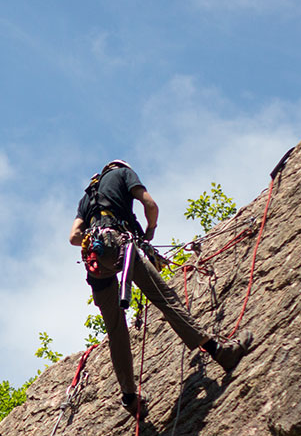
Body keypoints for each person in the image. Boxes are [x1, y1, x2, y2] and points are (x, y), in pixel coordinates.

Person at [69, 161, 252, 414]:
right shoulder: (123, 174)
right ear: (119, 167)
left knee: (115, 329)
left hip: (95, 261)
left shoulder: (87, 196)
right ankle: (219, 351)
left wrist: (95, 239)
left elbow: (73, 237)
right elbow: (150, 205)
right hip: (121, 245)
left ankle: (130, 397)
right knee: (165, 298)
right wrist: (150, 230)